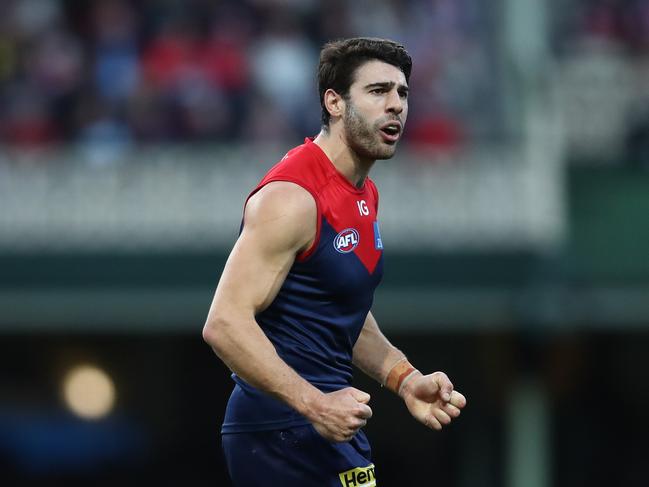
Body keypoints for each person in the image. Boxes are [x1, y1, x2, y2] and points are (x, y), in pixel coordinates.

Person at [202, 37, 466, 486]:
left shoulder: (363, 191)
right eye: (378, 91)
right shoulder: (292, 198)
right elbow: (224, 323)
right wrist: (313, 403)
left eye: (402, 93)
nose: (396, 105)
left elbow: (342, 309)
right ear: (335, 102)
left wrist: (404, 380)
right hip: (281, 431)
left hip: (324, 426)